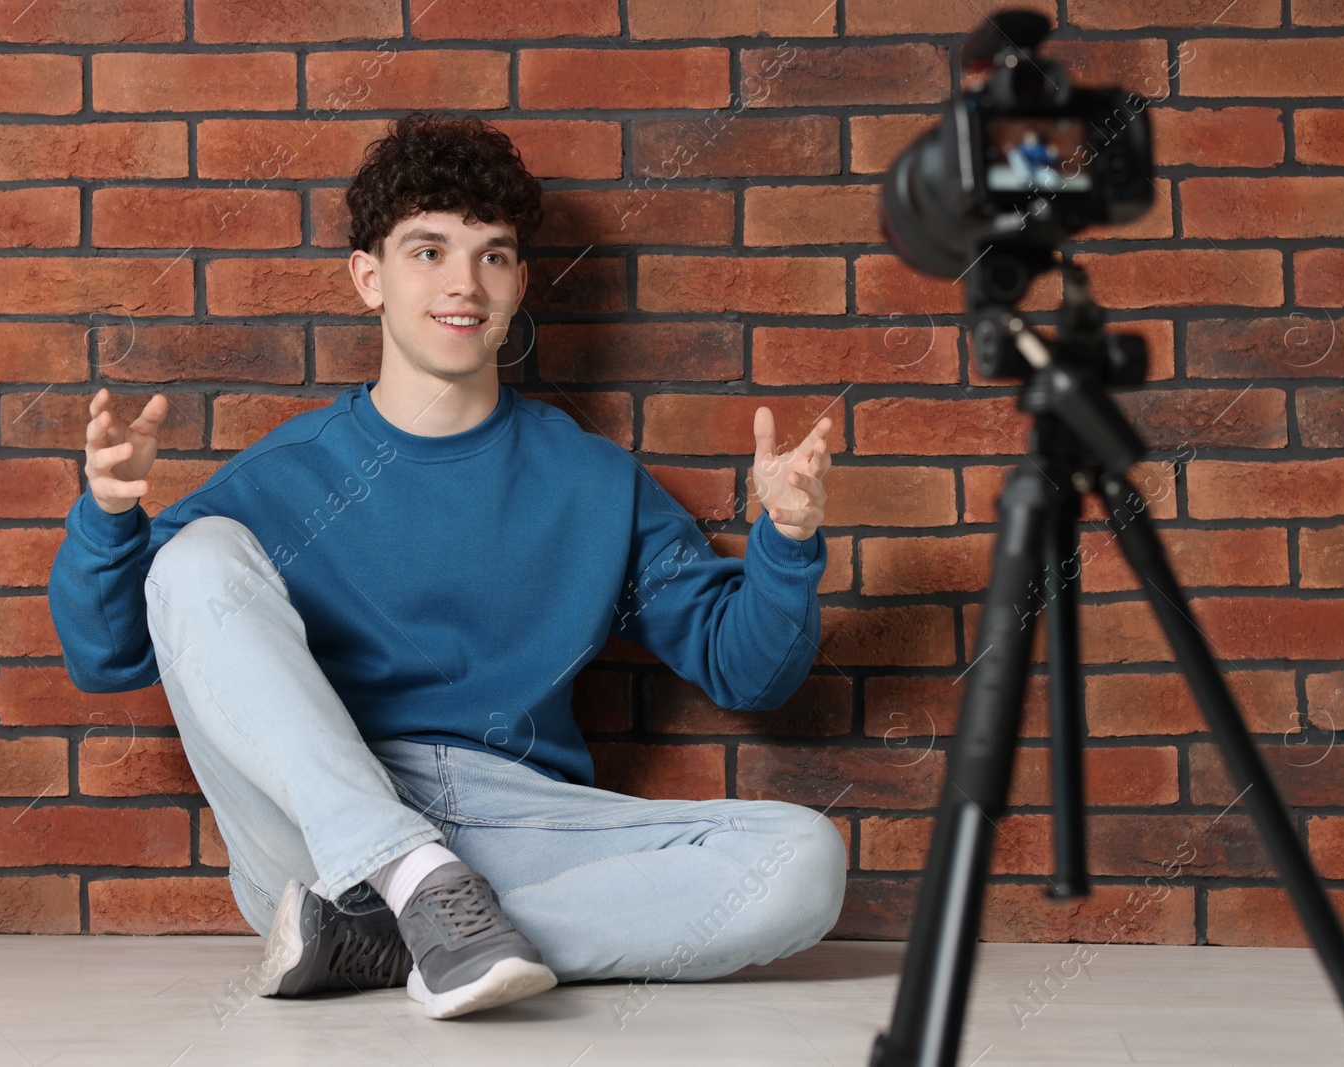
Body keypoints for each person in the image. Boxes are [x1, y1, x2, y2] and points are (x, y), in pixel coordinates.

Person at [47, 111, 847, 1021]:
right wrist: (113, 520)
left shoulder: (593, 482)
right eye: (427, 251)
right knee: (191, 559)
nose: (463, 282)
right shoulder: (282, 478)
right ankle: (407, 880)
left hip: (519, 821)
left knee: (806, 861)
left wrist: (785, 541)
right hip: (324, 829)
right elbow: (106, 657)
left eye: (492, 255)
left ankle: (399, 939)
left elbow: (747, 670)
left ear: (518, 283)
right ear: (368, 278)